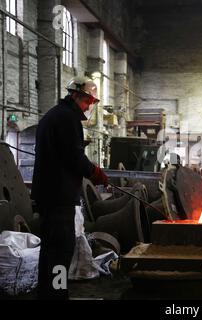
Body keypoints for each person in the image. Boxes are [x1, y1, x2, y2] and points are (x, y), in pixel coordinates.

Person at [31, 76, 109, 300]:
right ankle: (58, 294)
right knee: (60, 252)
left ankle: (48, 294)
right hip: (59, 197)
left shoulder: (54, 115)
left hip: (49, 196)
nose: (88, 106)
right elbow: (74, 157)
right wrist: (95, 172)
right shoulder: (67, 118)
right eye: (87, 102)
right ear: (76, 95)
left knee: (50, 251)